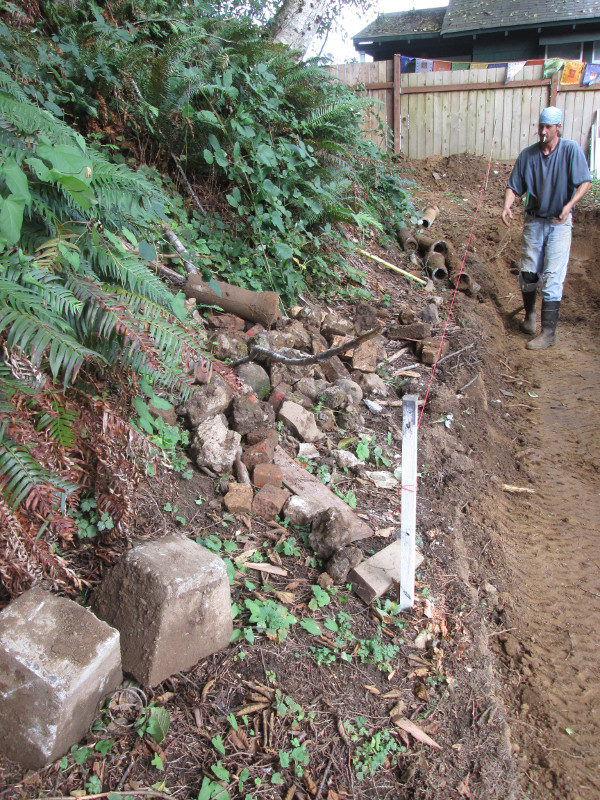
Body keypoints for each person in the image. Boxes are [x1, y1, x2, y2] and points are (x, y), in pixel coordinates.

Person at [502, 106, 591, 350]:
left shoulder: (571, 150)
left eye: (548, 127)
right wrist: (507, 205)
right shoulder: (528, 155)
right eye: (540, 126)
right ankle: (530, 316)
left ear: (558, 127)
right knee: (528, 273)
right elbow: (513, 186)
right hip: (534, 221)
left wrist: (569, 205)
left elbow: (585, 182)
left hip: (559, 223)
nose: (542, 131)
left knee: (552, 277)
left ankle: (548, 333)